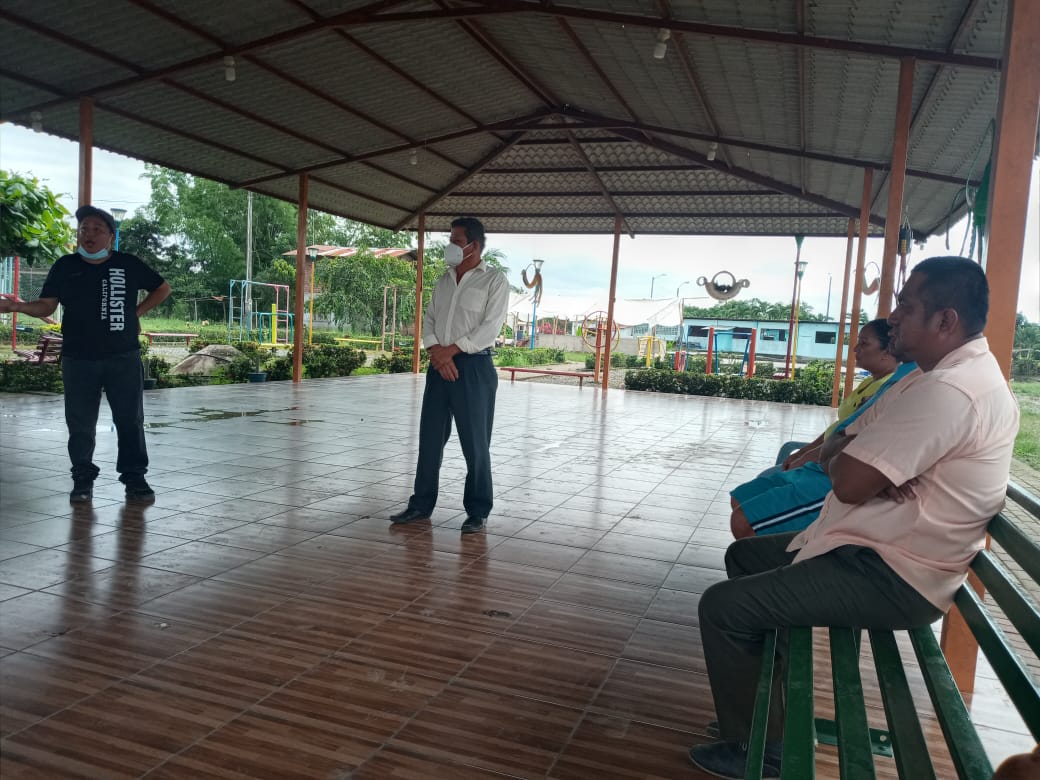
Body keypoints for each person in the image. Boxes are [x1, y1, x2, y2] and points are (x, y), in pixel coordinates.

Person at [689, 256, 1020, 779]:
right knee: (745, 556)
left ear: (945, 320)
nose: (893, 316)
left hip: (895, 573)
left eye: (906, 305)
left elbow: (847, 481)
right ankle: (764, 721)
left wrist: (852, 459)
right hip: (876, 548)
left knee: (723, 607)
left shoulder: (950, 391)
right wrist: (853, 456)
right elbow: (844, 442)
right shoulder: (933, 377)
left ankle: (762, 752)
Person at [0, 206, 171, 503]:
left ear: (110, 236)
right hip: (78, 358)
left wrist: (135, 312)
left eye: (97, 229)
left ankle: (134, 478)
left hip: (122, 356)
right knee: (80, 423)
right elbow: (47, 305)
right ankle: (82, 478)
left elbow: (163, 288)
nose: (89, 234)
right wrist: (17, 306)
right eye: (83, 229)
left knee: (129, 420)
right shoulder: (65, 266)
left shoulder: (127, 264)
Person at [728, 319, 912, 538]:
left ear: (887, 351)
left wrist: (811, 454)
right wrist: (807, 452)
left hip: (836, 472)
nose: (855, 349)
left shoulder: (909, 384)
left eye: (864, 343)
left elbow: (857, 438)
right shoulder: (883, 382)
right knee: (741, 498)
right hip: (824, 461)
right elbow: (842, 428)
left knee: (744, 520)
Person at [388, 217, 510, 534]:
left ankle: (478, 511)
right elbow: (429, 319)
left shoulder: (494, 280)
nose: (450, 246)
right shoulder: (443, 280)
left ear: (474, 245)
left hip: (474, 368)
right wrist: (437, 353)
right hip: (439, 365)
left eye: (456, 241)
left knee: (475, 443)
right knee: (430, 439)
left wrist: (450, 351)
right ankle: (420, 504)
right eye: (451, 239)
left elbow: (490, 328)